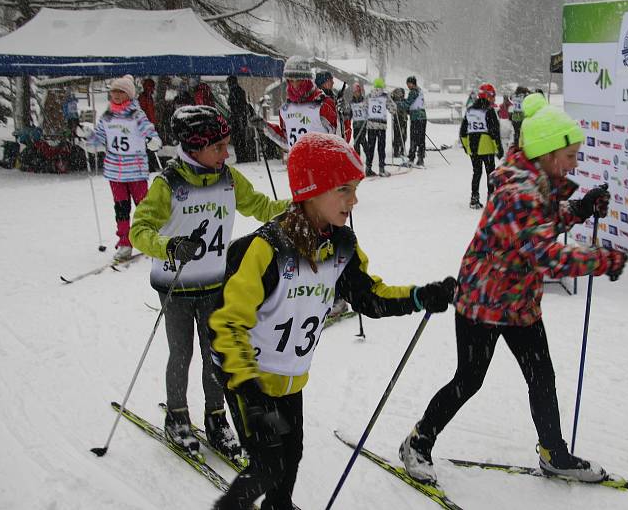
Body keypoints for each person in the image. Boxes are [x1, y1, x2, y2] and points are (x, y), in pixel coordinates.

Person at [207, 131, 457, 510]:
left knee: (291, 455)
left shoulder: (340, 245)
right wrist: (253, 397)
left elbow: (369, 297)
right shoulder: (264, 249)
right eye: (343, 189)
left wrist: (422, 296)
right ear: (310, 190)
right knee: (268, 463)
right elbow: (227, 325)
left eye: (355, 189)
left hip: (292, 376)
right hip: (249, 379)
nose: (354, 200)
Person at [399, 93, 628, 485]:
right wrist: (604, 260)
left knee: (542, 376)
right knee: (469, 379)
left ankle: (554, 453)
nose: (575, 163)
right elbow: (546, 256)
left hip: (519, 302)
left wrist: (581, 208)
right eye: (570, 155)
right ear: (549, 152)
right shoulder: (518, 191)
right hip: (483, 301)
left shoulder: (534, 180)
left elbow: (540, 224)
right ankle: (418, 442)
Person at [129, 105, 290, 461]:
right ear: (195, 146)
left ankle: (216, 418)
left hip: (214, 285)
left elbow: (259, 206)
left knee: (214, 355)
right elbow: (138, 231)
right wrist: (169, 246)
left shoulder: (229, 178)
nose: (226, 153)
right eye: (218, 147)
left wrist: (297, 209)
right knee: (182, 353)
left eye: (227, 145)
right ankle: (177, 416)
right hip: (176, 287)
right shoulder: (168, 184)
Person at [88, 74, 162, 261]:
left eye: (121, 92)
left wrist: (153, 140)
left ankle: (148, 238)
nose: (117, 95)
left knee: (143, 207)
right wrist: (89, 140)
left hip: (135, 170)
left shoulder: (136, 114)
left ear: (129, 94)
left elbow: (149, 130)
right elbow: (98, 136)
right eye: (114, 91)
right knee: (121, 208)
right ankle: (124, 242)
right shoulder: (107, 116)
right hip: (115, 171)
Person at [252, 55, 351, 153]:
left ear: (307, 79)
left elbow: (340, 144)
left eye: (299, 80)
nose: (295, 85)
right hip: (297, 166)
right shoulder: (286, 109)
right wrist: (265, 126)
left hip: (321, 166)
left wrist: (345, 119)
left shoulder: (323, 104)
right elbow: (287, 142)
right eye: (291, 80)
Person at [460, 83, 503, 209]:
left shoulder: (470, 110)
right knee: (490, 173)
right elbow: (494, 131)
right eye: (493, 96)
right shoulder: (489, 110)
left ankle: (474, 198)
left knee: (476, 172)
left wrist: (466, 147)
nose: (494, 99)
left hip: (473, 147)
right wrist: (499, 148)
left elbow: (463, 132)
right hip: (486, 146)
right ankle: (491, 199)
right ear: (488, 96)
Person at [364, 77, 396, 177]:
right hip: (381, 126)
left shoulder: (369, 96)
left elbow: (364, 107)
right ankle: (382, 169)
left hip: (371, 125)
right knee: (381, 147)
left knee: (370, 147)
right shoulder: (385, 96)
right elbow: (393, 109)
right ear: (382, 86)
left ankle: (368, 168)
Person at [399, 76, 427, 167]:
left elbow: (407, 104)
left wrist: (397, 104)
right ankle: (420, 158)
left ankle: (412, 158)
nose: (407, 86)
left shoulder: (413, 92)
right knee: (421, 138)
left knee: (414, 138)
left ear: (412, 83)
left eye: (408, 83)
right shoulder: (419, 90)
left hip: (416, 118)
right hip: (422, 117)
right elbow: (412, 104)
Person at [226, 76, 251, 163]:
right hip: (241, 119)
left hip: (236, 119)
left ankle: (240, 158)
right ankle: (243, 157)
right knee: (242, 139)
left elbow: (231, 103)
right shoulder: (241, 91)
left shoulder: (233, 92)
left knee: (237, 140)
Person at [350, 82, 368, 158]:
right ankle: (357, 157)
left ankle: (368, 155)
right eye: (355, 92)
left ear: (360, 92)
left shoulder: (364, 101)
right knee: (356, 142)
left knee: (363, 140)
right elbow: (350, 113)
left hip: (363, 124)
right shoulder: (351, 102)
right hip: (355, 125)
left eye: (358, 92)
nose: (356, 94)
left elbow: (368, 111)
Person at [390, 87, 408, 160]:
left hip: (404, 120)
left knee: (404, 136)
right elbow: (390, 99)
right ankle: (396, 151)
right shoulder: (393, 101)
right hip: (397, 120)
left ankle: (402, 150)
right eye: (398, 93)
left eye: (401, 93)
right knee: (397, 135)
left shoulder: (404, 101)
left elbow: (408, 108)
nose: (400, 95)